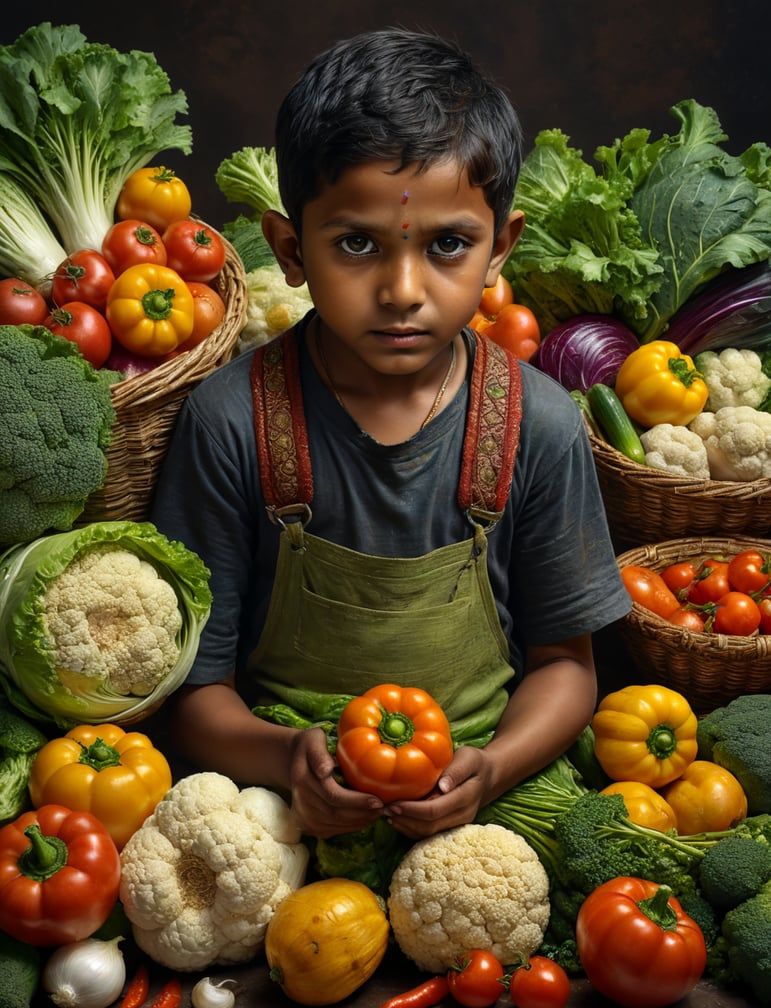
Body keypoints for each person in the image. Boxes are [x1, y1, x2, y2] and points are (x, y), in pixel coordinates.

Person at [151, 27, 631, 843]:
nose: (402, 290)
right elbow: (195, 697)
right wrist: (284, 760)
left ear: (499, 248)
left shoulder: (540, 423)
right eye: (355, 244)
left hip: (487, 802)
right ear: (289, 249)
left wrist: (495, 766)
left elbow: (564, 668)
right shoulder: (230, 421)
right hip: (279, 809)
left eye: (447, 245)